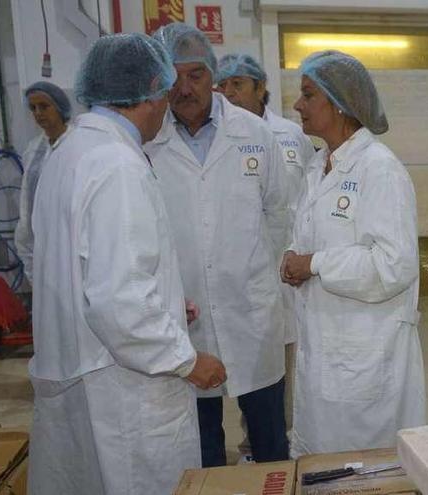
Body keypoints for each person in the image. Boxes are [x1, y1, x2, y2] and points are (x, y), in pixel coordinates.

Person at [27, 33, 227, 494]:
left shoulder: (68, 153)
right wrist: (187, 359)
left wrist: (169, 304)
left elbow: (85, 272)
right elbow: (119, 305)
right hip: (124, 395)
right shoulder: (118, 164)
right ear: (153, 92)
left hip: (79, 374)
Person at [148, 23, 290, 466]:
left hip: (251, 311)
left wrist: (251, 272)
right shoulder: (149, 139)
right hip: (185, 314)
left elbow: (280, 214)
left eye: (195, 75)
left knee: (268, 436)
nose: (185, 88)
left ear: (213, 76)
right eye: (174, 78)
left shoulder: (254, 134)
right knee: (200, 438)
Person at [281, 50, 426, 457]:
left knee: (364, 471)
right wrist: (294, 256)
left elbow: (394, 265)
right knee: (322, 465)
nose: (297, 105)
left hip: (366, 364)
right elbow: (310, 237)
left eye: (308, 95)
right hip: (324, 354)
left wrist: (314, 264)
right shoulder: (318, 167)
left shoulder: (380, 170)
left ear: (340, 103)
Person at [215, 52, 316, 447]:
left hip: (287, 274)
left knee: (282, 374)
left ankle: (281, 444)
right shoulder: (218, 138)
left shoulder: (291, 135)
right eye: (224, 85)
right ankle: (252, 446)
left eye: (238, 83)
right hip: (238, 279)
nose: (229, 93)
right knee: (245, 370)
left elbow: (304, 203)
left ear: (261, 87)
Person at [14, 81, 73, 282]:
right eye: (33, 108)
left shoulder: (78, 145)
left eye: (44, 106)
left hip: (72, 242)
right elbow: (27, 204)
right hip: (42, 244)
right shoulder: (33, 150)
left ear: (60, 107)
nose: (38, 113)